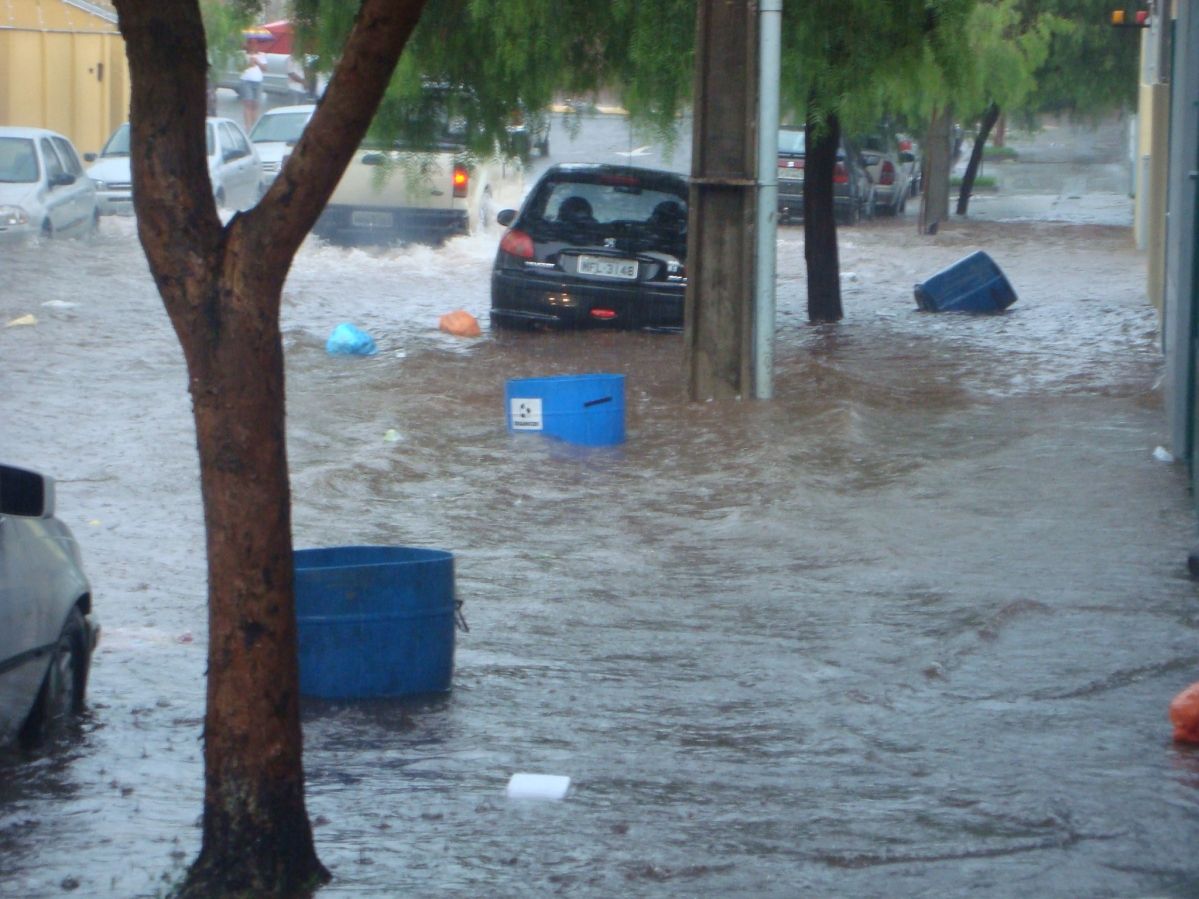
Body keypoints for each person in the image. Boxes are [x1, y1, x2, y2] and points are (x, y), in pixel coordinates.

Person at [239, 40, 267, 130]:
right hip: (246, 80)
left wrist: (257, 62)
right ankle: (248, 127)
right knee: (248, 103)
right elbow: (239, 68)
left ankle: (254, 126)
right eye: (251, 44)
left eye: (256, 44)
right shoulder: (243, 55)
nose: (254, 46)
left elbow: (265, 68)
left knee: (256, 104)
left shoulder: (261, 55)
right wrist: (249, 64)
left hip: (258, 81)